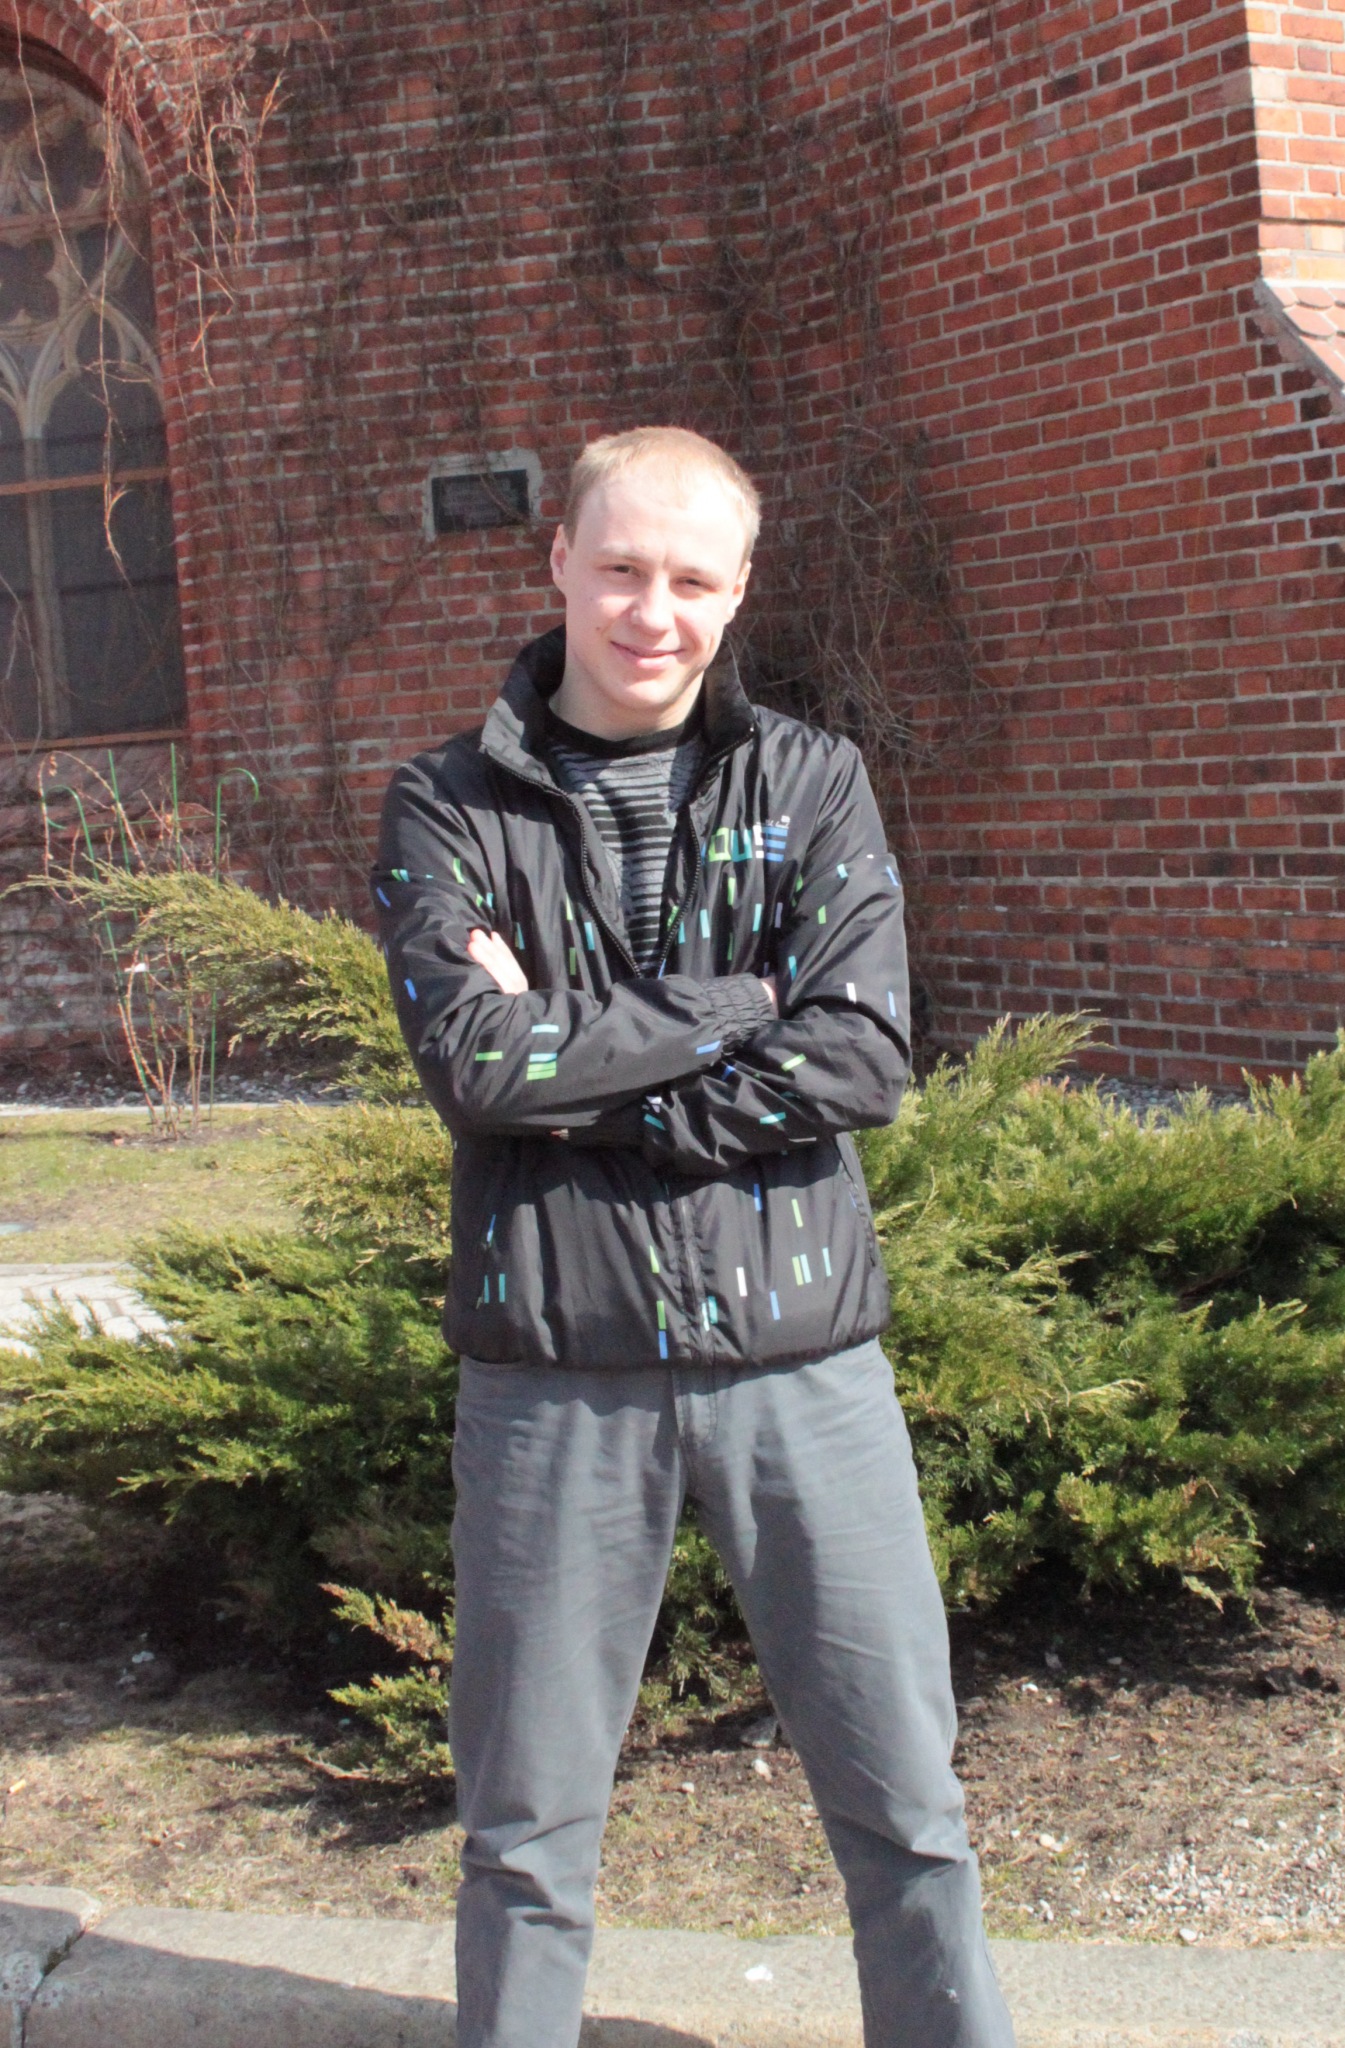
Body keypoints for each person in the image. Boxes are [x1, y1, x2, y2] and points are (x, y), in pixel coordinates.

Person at [374, 425, 1016, 2048]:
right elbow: (472, 1067)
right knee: (524, 1831)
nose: (648, 611)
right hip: (553, 1375)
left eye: (688, 578)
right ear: (558, 564)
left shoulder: (809, 781)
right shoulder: (446, 802)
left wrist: (581, 1066)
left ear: (736, 592)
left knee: (907, 1804)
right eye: (618, 569)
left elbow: (859, 1056)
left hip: (803, 1370)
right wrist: (730, 1008)